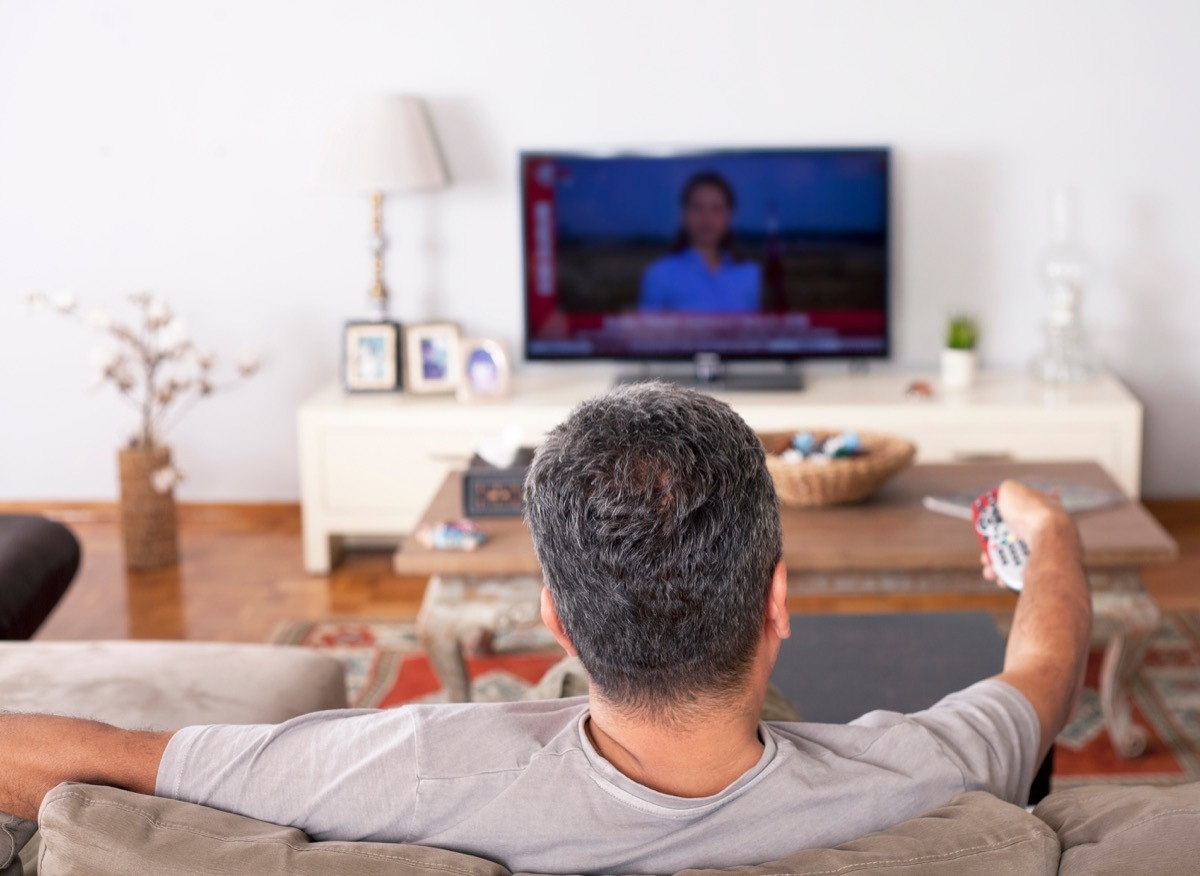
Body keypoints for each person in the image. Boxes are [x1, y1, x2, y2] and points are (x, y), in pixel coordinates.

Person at [0, 383, 1091, 874]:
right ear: (777, 600)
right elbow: (1042, 667)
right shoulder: (922, 773)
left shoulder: (409, 769)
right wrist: (1047, 532)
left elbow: (108, 762)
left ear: (553, 616)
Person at [639, 172, 763, 313]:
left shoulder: (748, 274)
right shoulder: (660, 275)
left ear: (730, 216)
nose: (707, 218)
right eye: (697, 208)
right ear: (684, 214)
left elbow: (753, 332)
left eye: (716, 209)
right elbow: (647, 332)